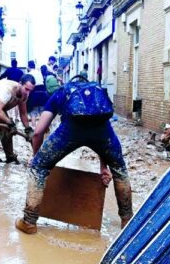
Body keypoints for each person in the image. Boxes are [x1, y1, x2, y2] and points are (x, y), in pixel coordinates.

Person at [15, 87, 133, 234]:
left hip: (69, 131)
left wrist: (36, 157)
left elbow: (38, 131)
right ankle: (127, 222)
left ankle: (29, 222)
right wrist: (104, 167)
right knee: (120, 170)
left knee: (39, 167)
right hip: (103, 133)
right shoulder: (98, 92)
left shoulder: (61, 92)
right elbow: (101, 137)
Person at [0, 74, 36, 172]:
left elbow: (23, 113)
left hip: (0, 107)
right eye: (26, 89)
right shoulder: (8, 90)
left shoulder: (25, 94)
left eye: (30, 90)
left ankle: (10, 158)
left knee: (8, 133)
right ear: (20, 84)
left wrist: (28, 129)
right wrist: (10, 123)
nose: (28, 92)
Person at [0, 59, 24, 124]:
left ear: (11, 64)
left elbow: (1, 77)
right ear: (17, 64)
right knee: (16, 103)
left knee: (9, 101)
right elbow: (23, 80)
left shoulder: (8, 70)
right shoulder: (20, 72)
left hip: (9, 87)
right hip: (17, 88)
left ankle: (10, 116)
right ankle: (16, 117)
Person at [26, 60, 48, 128]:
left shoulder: (29, 74)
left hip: (34, 94)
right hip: (43, 94)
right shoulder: (39, 72)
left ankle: (33, 129)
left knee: (33, 113)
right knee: (42, 113)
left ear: (28, 67)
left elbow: (28, 87)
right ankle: (46, 129)